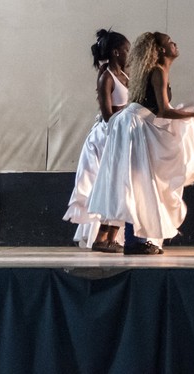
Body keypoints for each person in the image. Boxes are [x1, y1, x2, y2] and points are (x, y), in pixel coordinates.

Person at [88, 32, 194, 255]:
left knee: (134, 181)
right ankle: (134, 240)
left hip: (134, 124)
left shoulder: (157, 71)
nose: (174, 43)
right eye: (169, 42)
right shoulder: (158, 71)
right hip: (134, 126)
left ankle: (115, 237)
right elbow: (164, 111)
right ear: (161, 50)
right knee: (139, 181)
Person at [63, 29, 130, 252]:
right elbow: (107, 114)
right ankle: (99, 236)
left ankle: (111, 236)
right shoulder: (106, 77)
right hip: (108, 136)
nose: (128, 55)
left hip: (122, 133)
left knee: (121, 185)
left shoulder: (125, 75)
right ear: (115, 52)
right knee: (108, 185)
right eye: (125, 51)